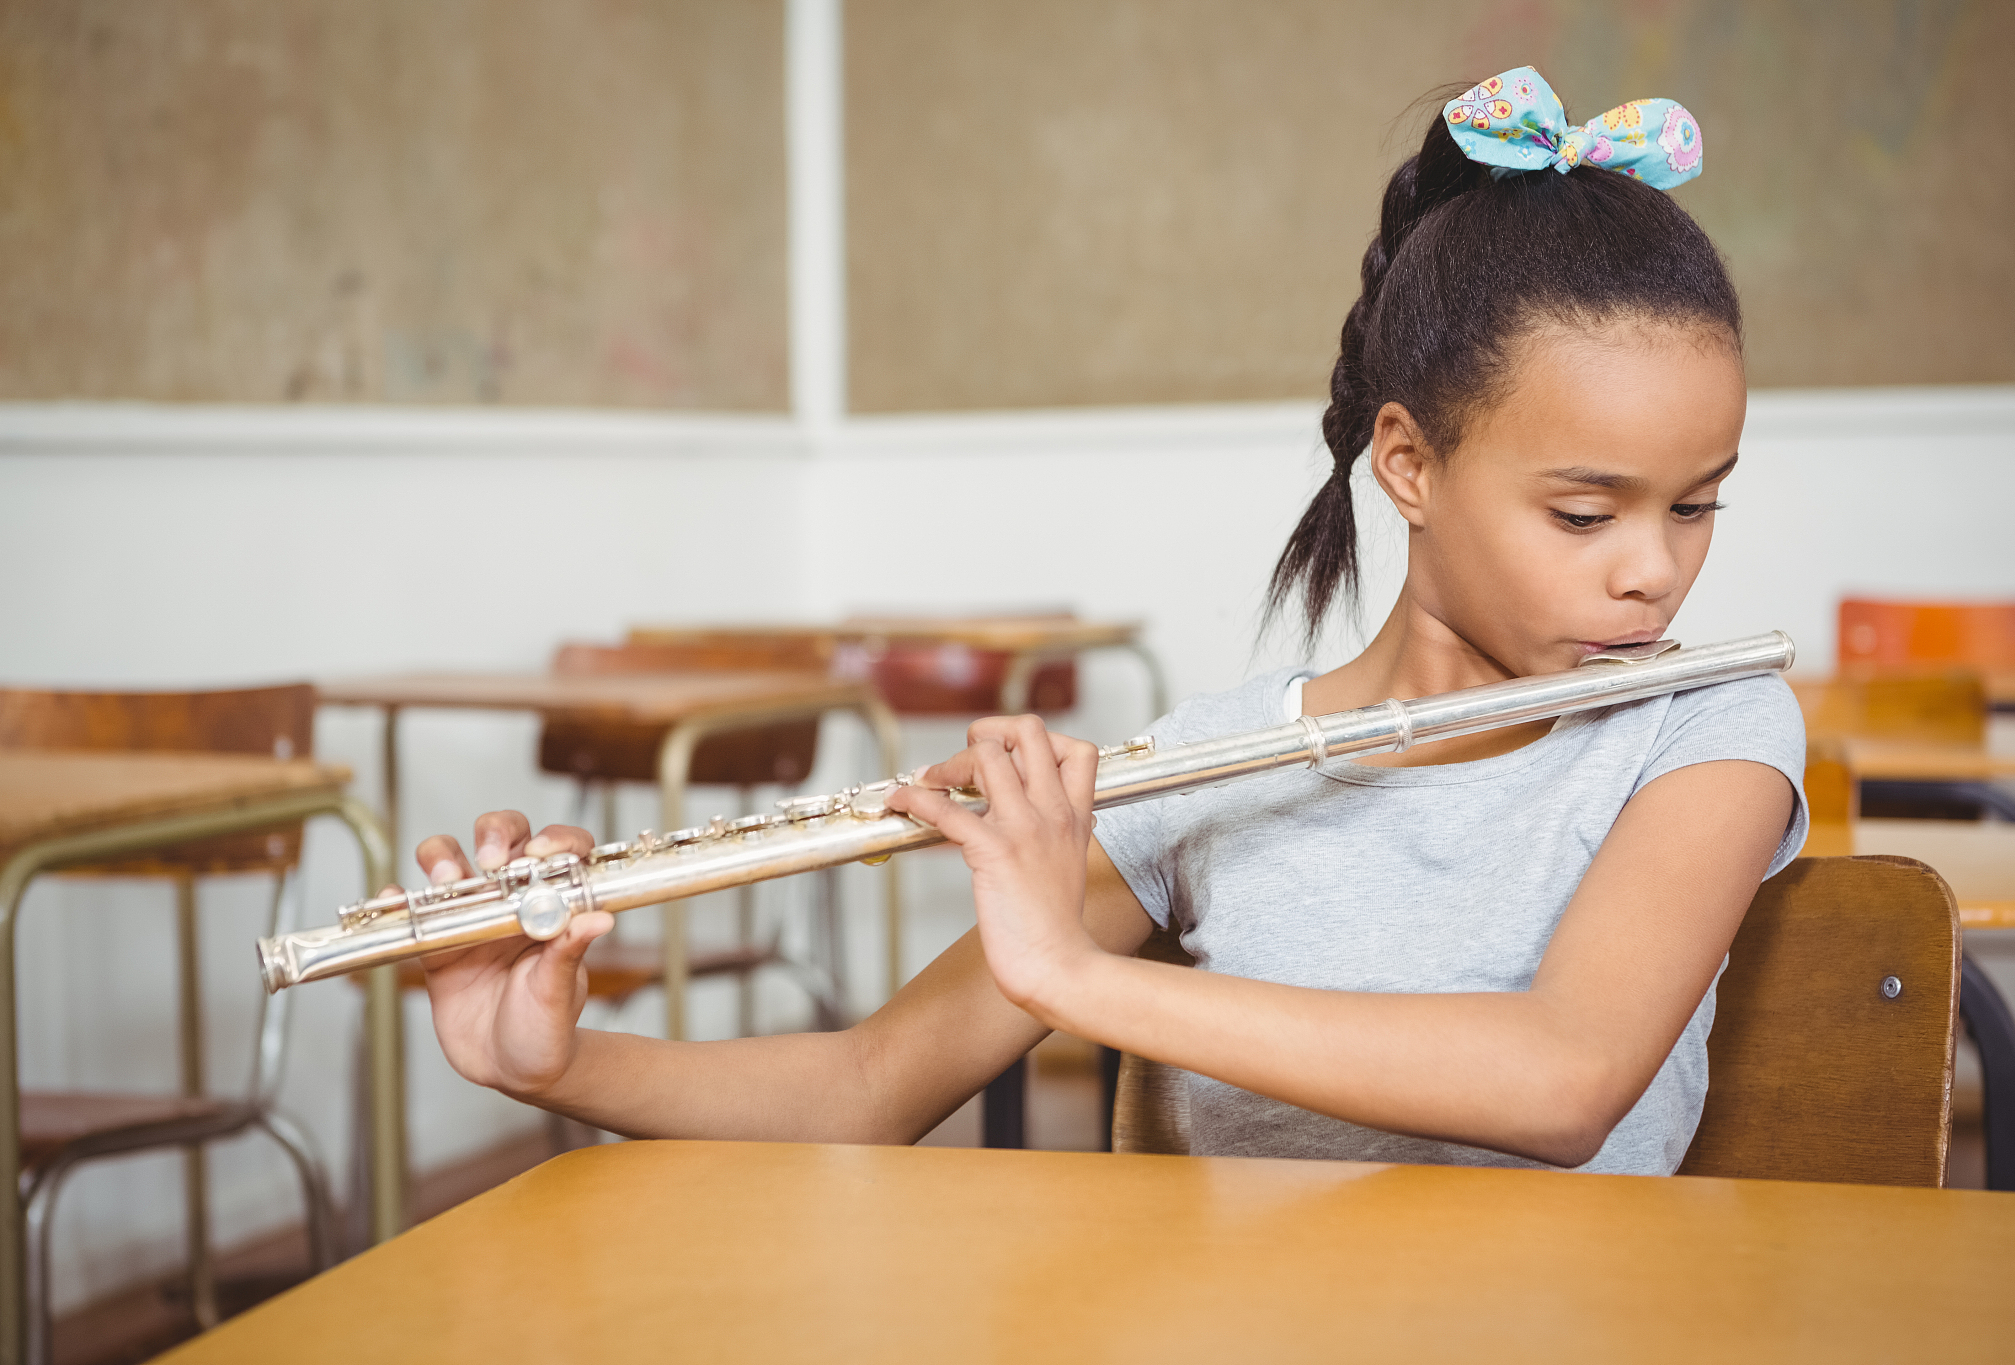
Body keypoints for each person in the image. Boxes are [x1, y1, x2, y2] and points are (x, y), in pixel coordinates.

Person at [410, 68, 1804, 1173]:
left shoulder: (1707, 729)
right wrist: (554, 1065)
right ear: (1410, 465)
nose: (1652, 574)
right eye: (1585, 513)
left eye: (1695, 508)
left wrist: (1078, 978)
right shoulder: (1208, 768)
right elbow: (864, 1088)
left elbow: (1562, 1079)